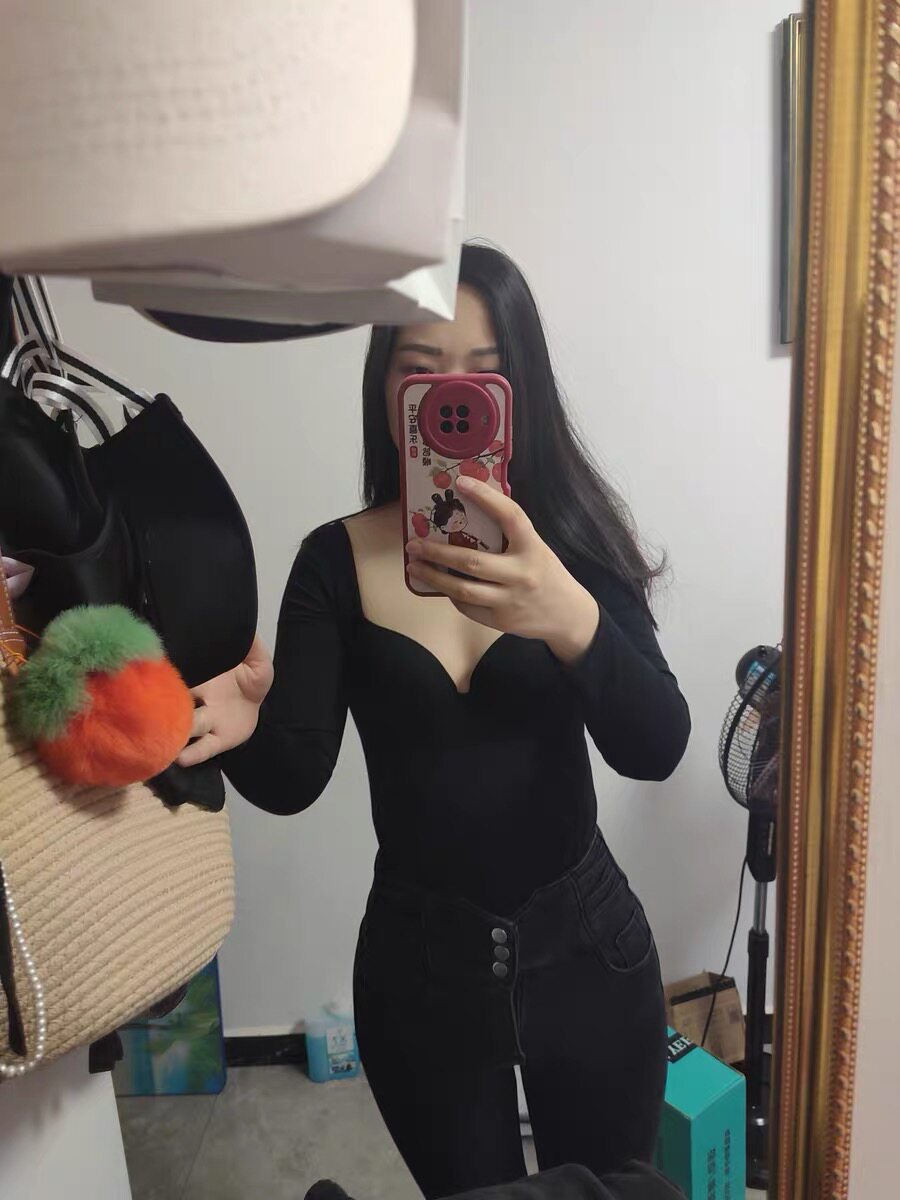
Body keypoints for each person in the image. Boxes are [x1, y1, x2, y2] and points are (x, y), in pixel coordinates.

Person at [180, 244, 691, 1199]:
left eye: (482, 374)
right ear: (385, 389)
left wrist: (568, 616)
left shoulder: (573, 544)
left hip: (589, 954)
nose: (450, 396)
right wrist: (250, 723)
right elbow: (294, 779)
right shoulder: (333, 561)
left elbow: (656, 744)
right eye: (420, 370)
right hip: (418, 974)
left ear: (518, 392)